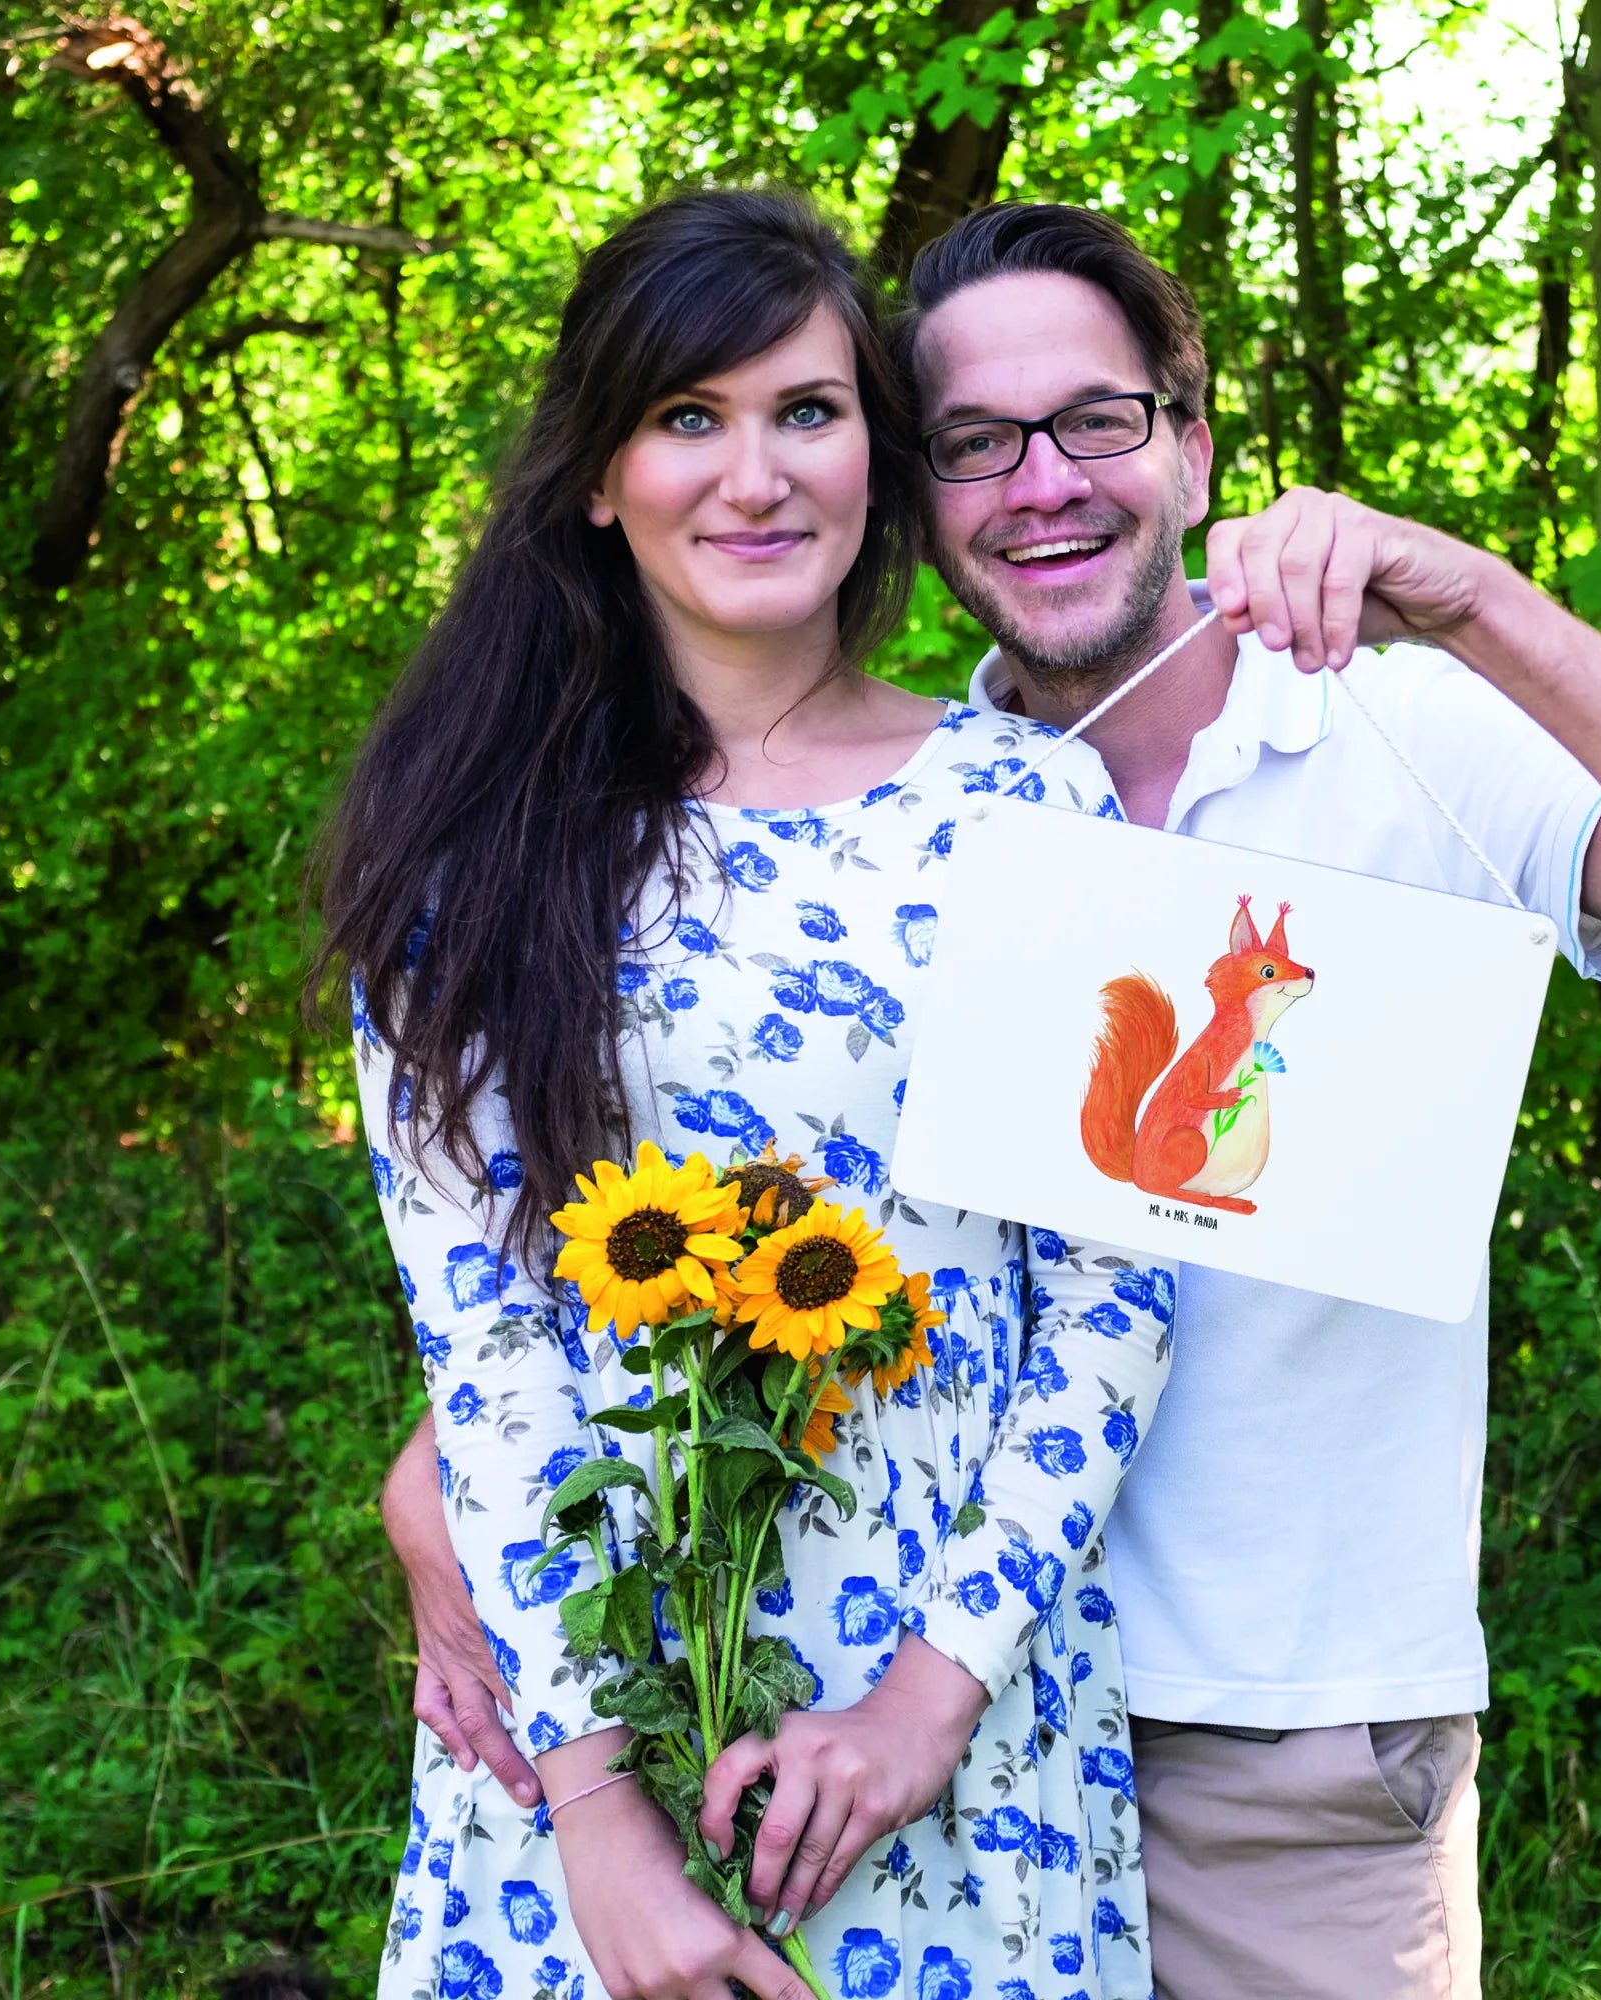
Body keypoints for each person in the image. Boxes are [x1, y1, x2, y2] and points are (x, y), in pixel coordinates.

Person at [386, 198, 1601, 1998]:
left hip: (1269, 1735)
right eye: (975, 442)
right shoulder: (915, 811)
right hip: (829, 1700)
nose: (1042, 483)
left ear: (1193, 446)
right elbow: (678, 1213)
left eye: (1095, 421)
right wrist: (449, 1477)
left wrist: (1473, 597)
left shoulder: (1385, 730)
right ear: (919, 487)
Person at [317, 188, 1177, 2000]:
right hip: (587, 1718)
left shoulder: (1031, 806)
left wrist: (927, 1705)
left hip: (955, 1721)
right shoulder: (472, 855)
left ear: (878, 450)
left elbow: (1117, 1289)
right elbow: (487, 1345)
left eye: (808, 411)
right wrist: (599, 1825)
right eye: (687, 417)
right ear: (597, 475)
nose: (757, 475)